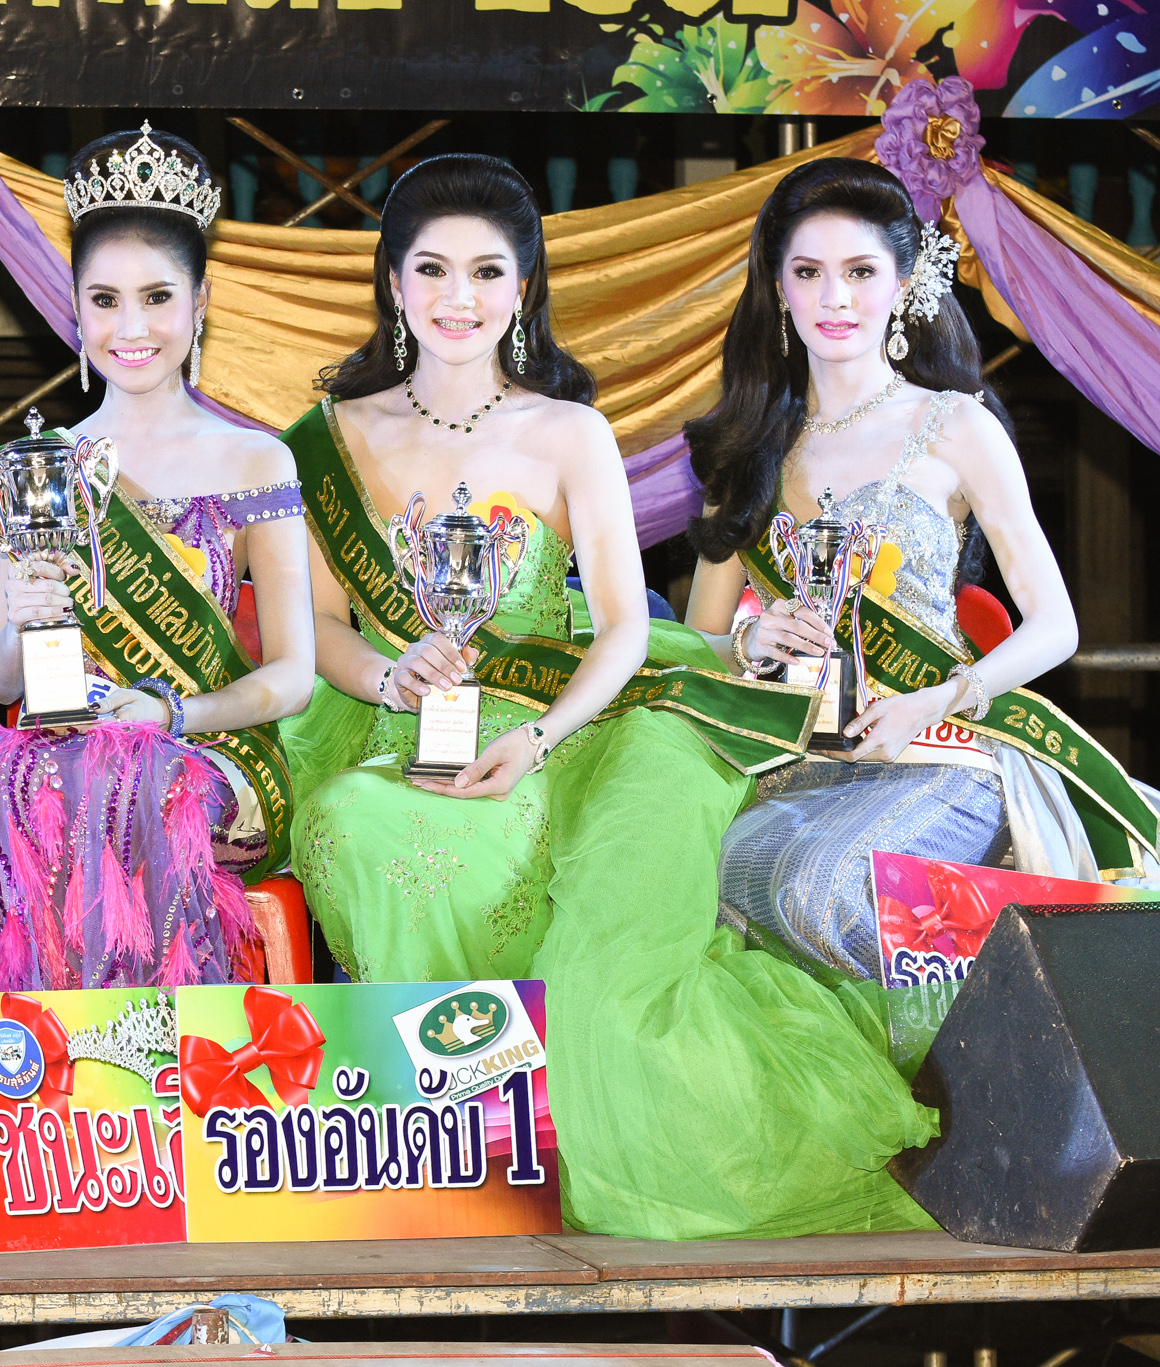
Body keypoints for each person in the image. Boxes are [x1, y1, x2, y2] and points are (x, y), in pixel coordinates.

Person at [690, 158, 1156, 988]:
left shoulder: (955, 426)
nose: (835, 297)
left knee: (822, 889)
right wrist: (751, 640)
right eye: (809, 272)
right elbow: (698, 642)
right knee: (706, 878)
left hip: (939, 748)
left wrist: (941, 697)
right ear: (779, 289)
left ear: (903, 284)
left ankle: (960, 1052)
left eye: (861, 272)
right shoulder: (747, 443)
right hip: (790, 755)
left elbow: (1056, 625)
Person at [280, 153, 718, 983]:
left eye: (486, 272)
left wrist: (536, 741)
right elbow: (323, 623)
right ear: (394, 283)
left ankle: (504, 1056)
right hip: (387, 738)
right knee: (349, 819)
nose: (459, 297)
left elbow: (625, 627)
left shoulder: (571, 433)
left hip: (545, 742)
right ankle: (431, 1061)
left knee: (484, 856)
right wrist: (388, 676)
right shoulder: (329, 436)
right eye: (432, 270)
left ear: (521, 288)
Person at [0, 125, 315, 992]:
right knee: (12, 780)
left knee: (135, 777)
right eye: (105, 300)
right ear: (75, 306)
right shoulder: (39, 468)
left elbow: (294, 676)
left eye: (157, 297)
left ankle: (161, 1051)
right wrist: (24, 616)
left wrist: (173, 714)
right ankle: (38, 1053)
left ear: (201, 301)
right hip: (64, 743)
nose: (131, 326)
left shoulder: (257, 461)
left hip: (209, 749)